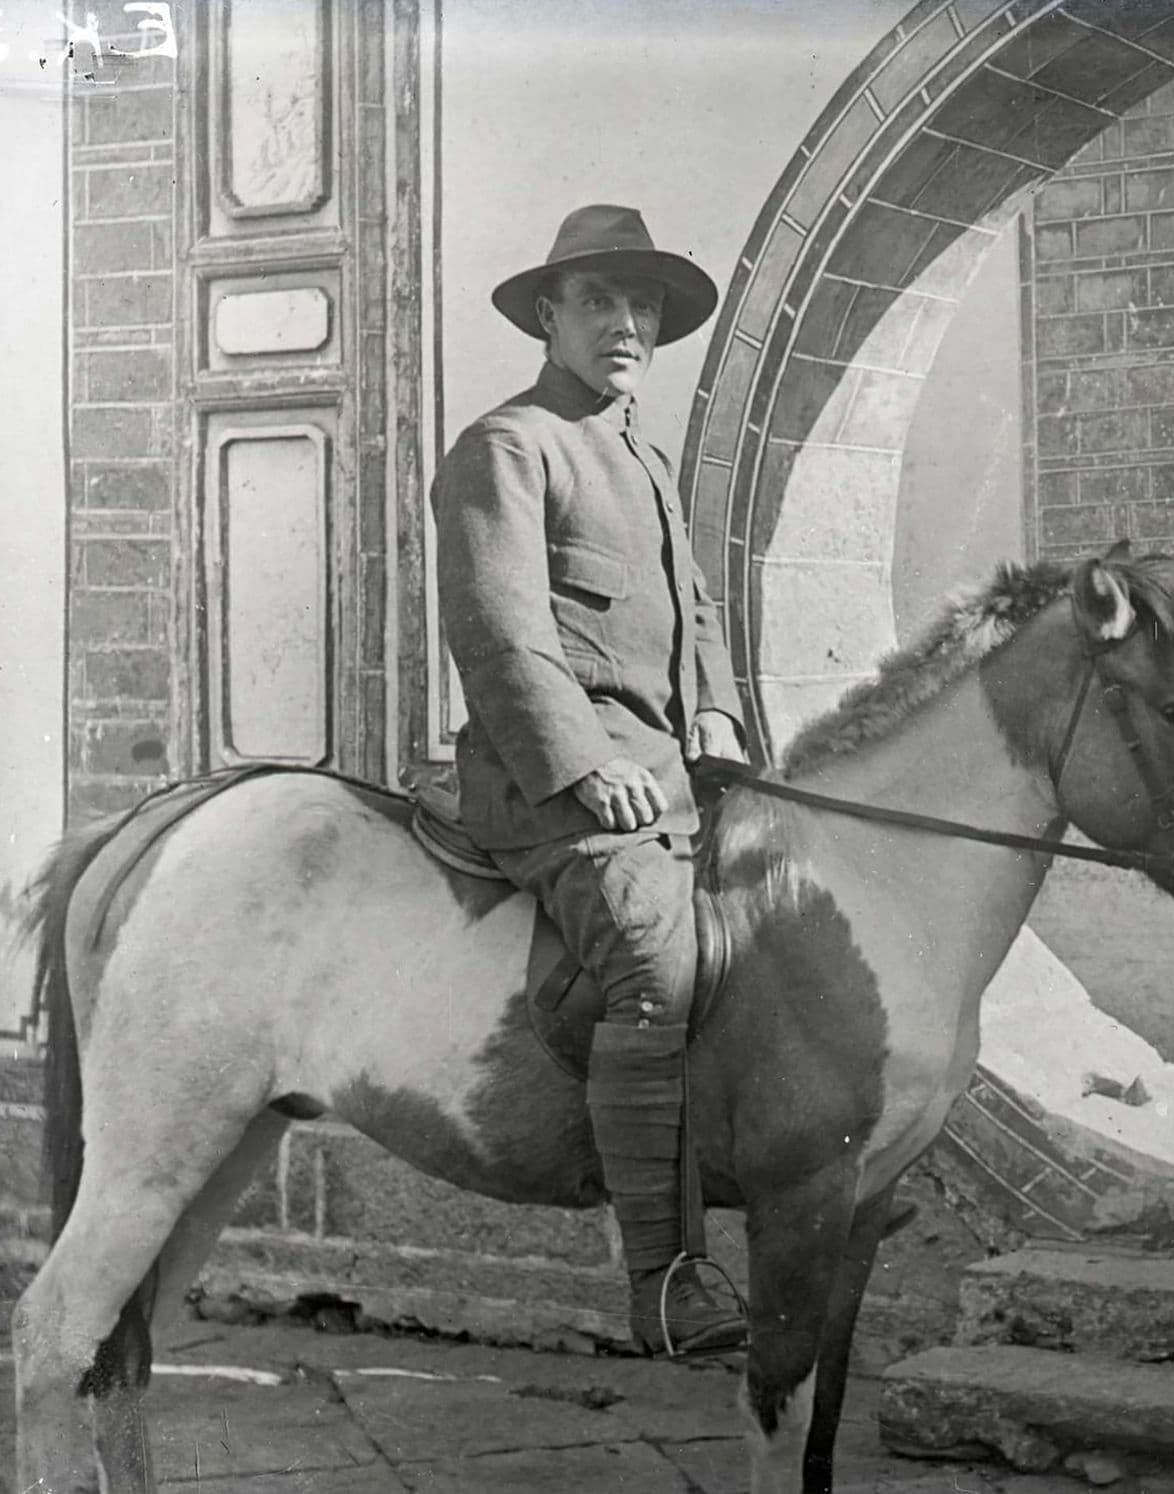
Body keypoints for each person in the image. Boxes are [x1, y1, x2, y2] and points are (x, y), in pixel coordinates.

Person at [431, 204, 748, 1356]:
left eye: (644, 305)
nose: (626, 324)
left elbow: (694, 609)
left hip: (670, 771)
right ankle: (665, 1280)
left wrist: (713, 710)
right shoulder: (510, 446)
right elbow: (500, 631)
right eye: (600, 300)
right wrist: (583, 764)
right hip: (557, 787)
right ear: (550, 316)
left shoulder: (640, 457)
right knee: (654, 966)